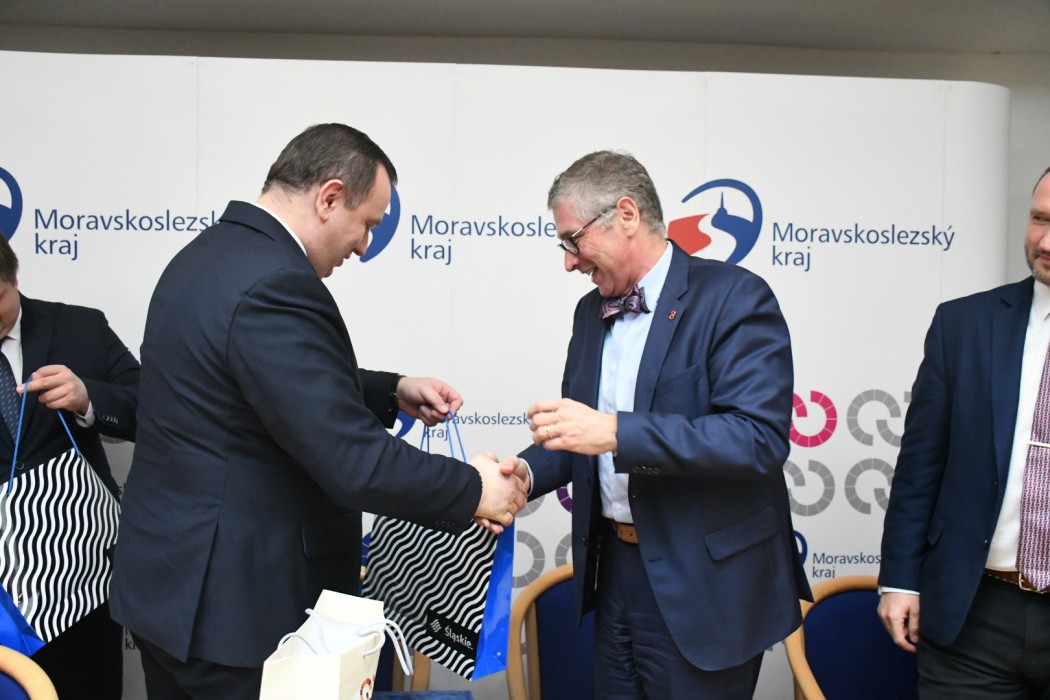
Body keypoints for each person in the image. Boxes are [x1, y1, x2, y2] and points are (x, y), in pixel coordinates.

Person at [109, 123, 527, 699]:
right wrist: (473, 488)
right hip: (239, 615)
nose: (364, 246)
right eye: (368, 224)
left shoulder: (205, 256)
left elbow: (251, 385)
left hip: (174, 595)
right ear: (329, 197)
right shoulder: (277, 283)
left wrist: (391, 390)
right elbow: (353, 462)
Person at [514, 151, 811, 698]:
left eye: (573, 240)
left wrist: (618, 432)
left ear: (626, 214)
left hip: (706, 586)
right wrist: (520, 476)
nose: (569, 263)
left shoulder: (735, 297)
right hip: (614, 575)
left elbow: (756, 439)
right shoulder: (589, 313)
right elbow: (581, 433)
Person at [878, 166, 1050, 697]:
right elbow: (920, 467)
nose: (1045, 242)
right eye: (1040, 219)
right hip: (975, 616)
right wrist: (900, 578)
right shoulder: (965, 326)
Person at [0, 233, 139, 699]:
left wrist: (88, 399)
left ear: (14, 279)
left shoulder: (81, 328)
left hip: (81, 587)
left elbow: (154, 407)